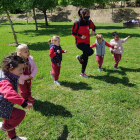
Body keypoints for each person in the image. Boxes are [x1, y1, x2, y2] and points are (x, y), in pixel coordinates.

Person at [0, 52, 33, 140]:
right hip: (2, 105)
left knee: (9, 119)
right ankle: (4, 127)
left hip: (5, 104)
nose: (22, 71)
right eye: (20, 69)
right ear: (10, 69)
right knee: (19, 114)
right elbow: (9, 93)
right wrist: (23, 103)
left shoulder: (7, 73)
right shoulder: (4, 80)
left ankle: (13, 137)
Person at [71, 8, 96, 78]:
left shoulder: (89, 21)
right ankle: (79, 57)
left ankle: (82, 73)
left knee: (86, 56)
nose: (88, 16)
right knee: (90, 51)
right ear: (82, 15)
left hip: (87, 42)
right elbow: (72, 32)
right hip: (79, 43)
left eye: (89, 14)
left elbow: (93, 27)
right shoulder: (77, 23)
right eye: (87, 14)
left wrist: (93, 30)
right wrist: (80, 36)